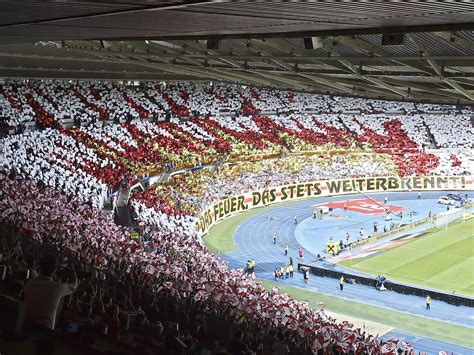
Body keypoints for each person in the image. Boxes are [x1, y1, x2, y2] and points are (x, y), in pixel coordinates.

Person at [23, 254, 78, 330]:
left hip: (25, 326)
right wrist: (72, 269)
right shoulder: (58, 288)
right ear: (55, 269)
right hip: (45, 332)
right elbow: (74, 286)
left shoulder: (28, 283)